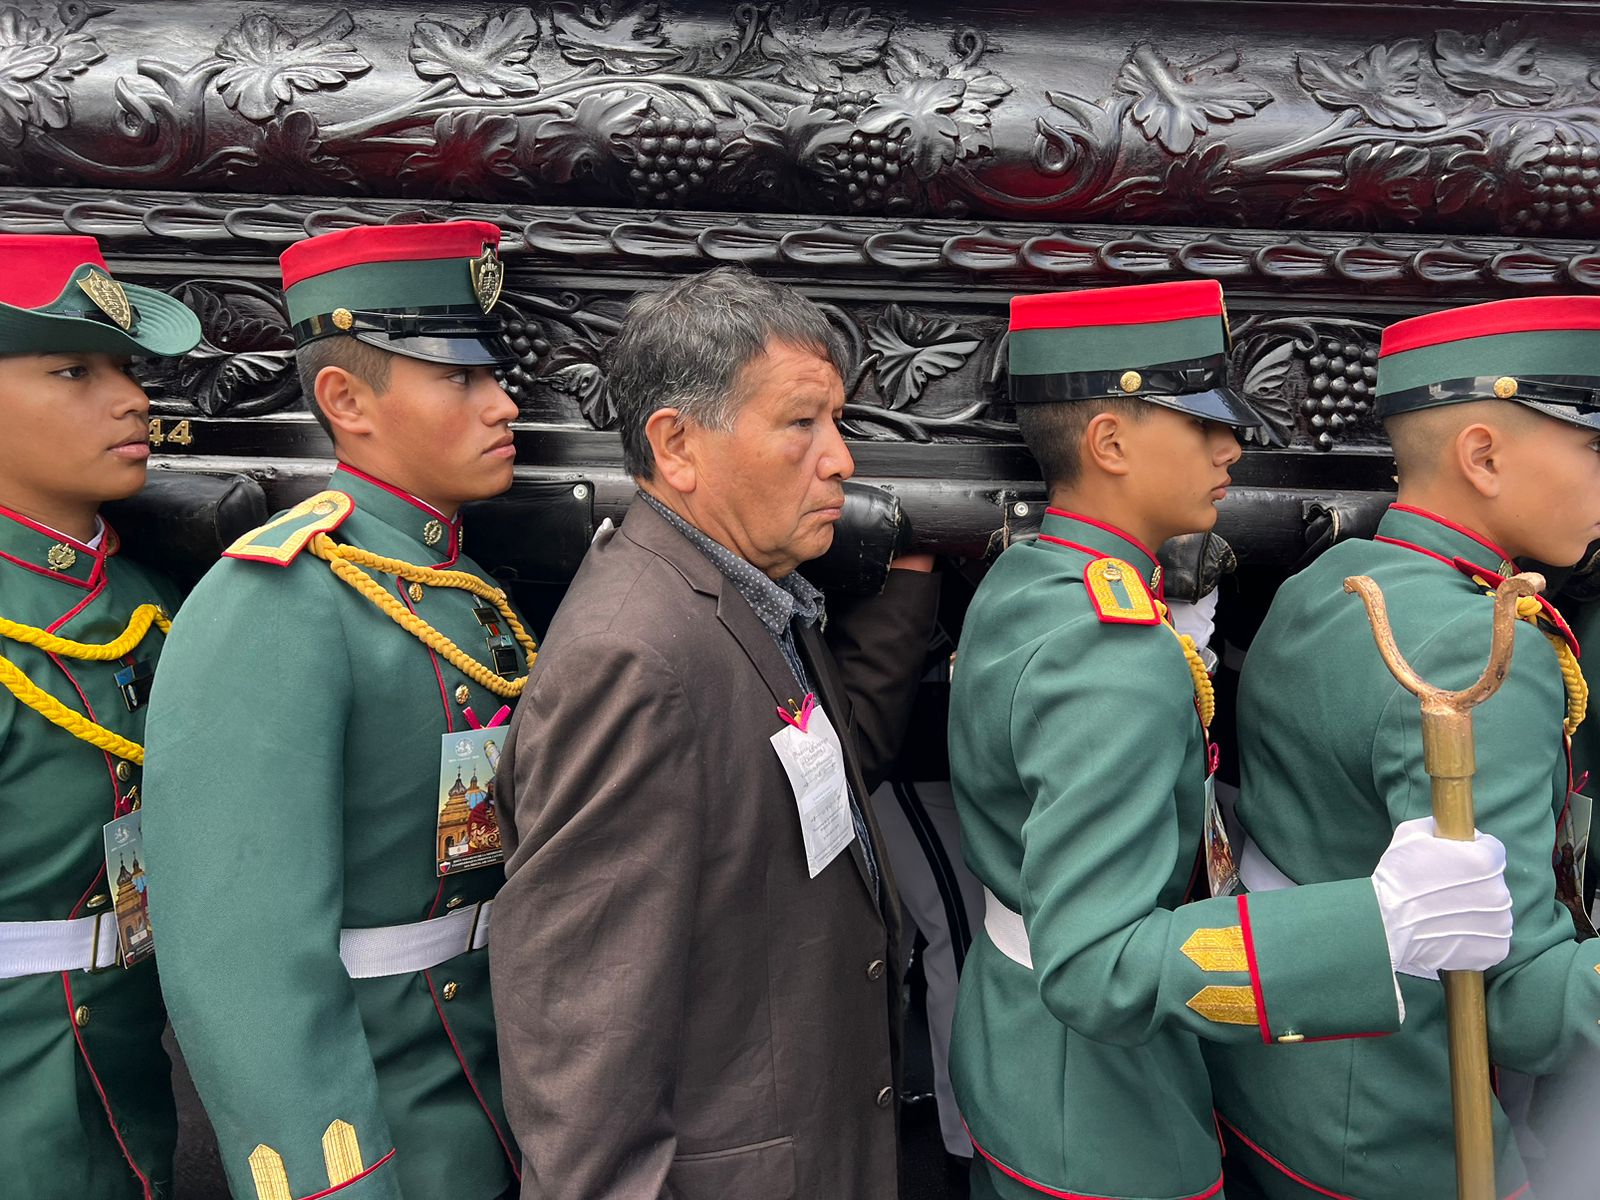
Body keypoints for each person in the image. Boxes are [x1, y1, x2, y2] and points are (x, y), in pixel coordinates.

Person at [947, 279, 1516, 1200]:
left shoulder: (1038, 577)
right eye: (1200, 421)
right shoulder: (1108, 653)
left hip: (1028, 1056)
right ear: (1110, 442)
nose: (1232, 444)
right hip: (1101, 1107)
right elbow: (1098, 968)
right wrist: (1375, 926)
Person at [490, 265, 939, 1199]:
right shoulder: (636, 661)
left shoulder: (755, 595)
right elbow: (585, 1041)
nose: (842, 459)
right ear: (678, 446)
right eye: (800, 425)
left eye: (838, 423)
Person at [142, 221, 531, 1200]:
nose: (504, 402)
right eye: (460, 378)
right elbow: (244, 969)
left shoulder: (459, 582)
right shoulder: (276, 602)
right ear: (346, 400)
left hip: (486, 1087)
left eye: (495, 373)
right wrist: (332, 1179)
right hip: (380, 1117)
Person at [1205, 294, 1600, 1200]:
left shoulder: (1334, 578)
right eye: (1594, 449)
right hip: (1403, 1122)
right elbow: (1519, 999)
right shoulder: (1479, 645)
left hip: (1293, 1084)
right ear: (1484, 457)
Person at [0, 233, 202, 1200]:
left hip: (123, 1078)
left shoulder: (148, 601)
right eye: (72, 370)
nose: (130, 399)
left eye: (124, 366)